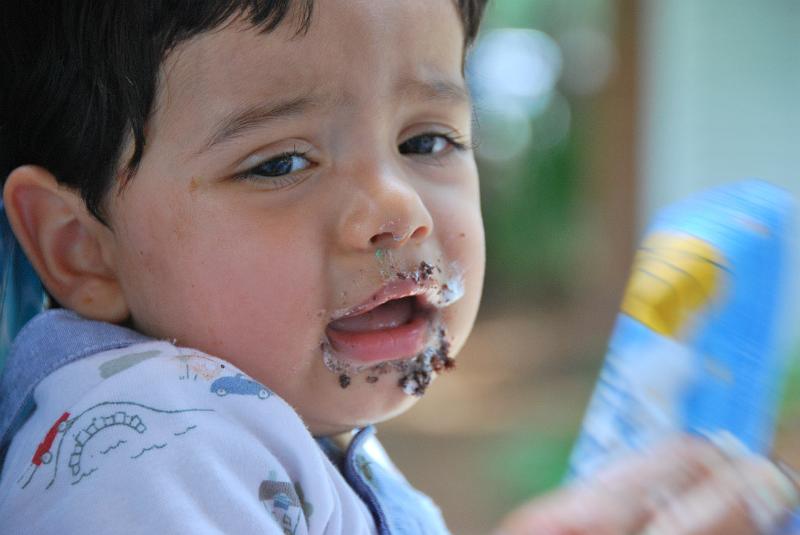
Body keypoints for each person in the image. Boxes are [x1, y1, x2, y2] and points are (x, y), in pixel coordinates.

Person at [0, 1, 797, 533]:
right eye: (280, 163)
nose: (400, 208)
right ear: (81, 246)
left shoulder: (271, 430)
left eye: (427, 141)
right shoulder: (148, 450)